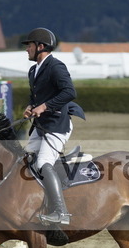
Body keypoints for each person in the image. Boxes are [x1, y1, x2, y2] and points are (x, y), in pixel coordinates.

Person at [21, 27, 83, 225]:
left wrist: (45, 106)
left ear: (41, 47)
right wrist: (31, 107)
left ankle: (61, 212)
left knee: (43, 163)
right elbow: (36, 96)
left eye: (29, 46)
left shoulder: (56, 66)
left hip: (57, 125)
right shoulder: (33, 70)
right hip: (41, 126)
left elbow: (69, 92)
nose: (27, 50)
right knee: (24, 161)